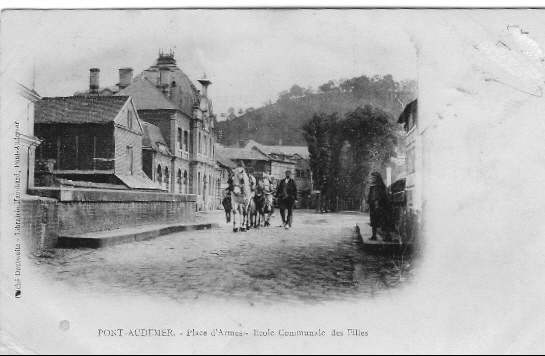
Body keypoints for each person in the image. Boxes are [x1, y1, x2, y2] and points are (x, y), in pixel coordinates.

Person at [365, 171, 395, 241]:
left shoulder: (376, 187)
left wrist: (376, 205)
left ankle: (381, 236)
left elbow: (376, 197)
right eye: (371, 178)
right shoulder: (379, 186)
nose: (371, 179)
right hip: (378, 206)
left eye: (372, 178)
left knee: (378, 221)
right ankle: (380, 236)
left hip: (378, 207)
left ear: (376, 178)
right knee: (381, 221)